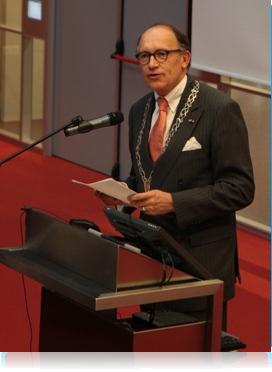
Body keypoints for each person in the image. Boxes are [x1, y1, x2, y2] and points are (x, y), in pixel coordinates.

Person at [97, 23, 254, 327]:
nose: (152, 64)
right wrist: (121, 194)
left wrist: (175, 202)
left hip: (200, 263)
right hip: (153, 257)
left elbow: (240, 188)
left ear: (184, 58)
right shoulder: (139, 110)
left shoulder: (219, 108)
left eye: (161, 54)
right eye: (144, 56)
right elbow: (144, 177)